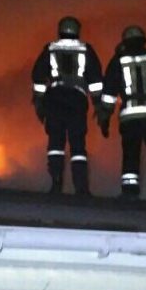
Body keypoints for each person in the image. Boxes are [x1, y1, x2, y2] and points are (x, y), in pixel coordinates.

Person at [96, 25, 146, 204]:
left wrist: (105, 117)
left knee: (131, 154)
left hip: (130, 117)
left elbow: (109, 92)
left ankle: (130, 192)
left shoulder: (117, 60)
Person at [31, 16, 103, 195]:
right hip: (77, 100)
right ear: (77, 31)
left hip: (55, 98)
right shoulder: (86, 49)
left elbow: (38, 75)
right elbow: (95, 80)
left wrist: (39, 100)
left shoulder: (50, 48)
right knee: (78, 144)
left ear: (60, 30)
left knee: (56, 143)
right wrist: (98, 104)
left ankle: (56, 182)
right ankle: (81, 187)